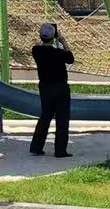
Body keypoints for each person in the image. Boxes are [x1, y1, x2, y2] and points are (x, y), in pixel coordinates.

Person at [29, 23, 75, 158]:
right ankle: (60, 150)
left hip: (45, 87)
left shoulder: (36, 51)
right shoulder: (59, 53)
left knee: (45, 116)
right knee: (62, 119)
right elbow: (71, 58)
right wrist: (63, 41)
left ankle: (37, 146)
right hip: (60, 87)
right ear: (54, 37)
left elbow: (39, 45)